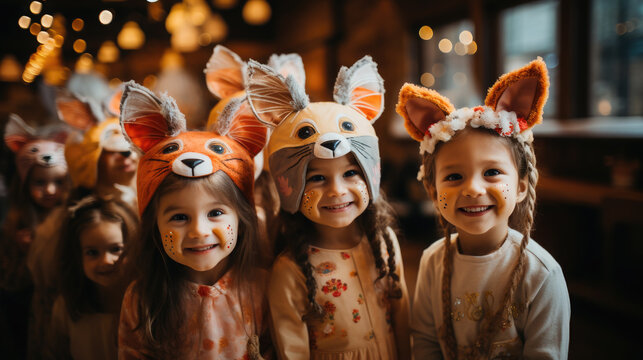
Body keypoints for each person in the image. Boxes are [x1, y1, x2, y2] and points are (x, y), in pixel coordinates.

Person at [396, 58, 570, 359]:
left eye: (492, 172)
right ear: (432, 191)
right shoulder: (431, 262)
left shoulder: (542, 274)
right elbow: (425, 343)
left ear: (521, 186)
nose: (474, 189)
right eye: (453, 176)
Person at [245, 56, 411, 359]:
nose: (337, 191)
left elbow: (403, 324)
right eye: (317, 178)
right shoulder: (290, 271)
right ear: (290, 186)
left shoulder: (385, 245)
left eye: (350, 173)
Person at [117, 82, 271, 359]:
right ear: (154, 224)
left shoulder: (262, 289)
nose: (199, 231)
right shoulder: (141, 299)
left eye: (215, 213)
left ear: (242, 217)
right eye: (178, 217)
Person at [0, 114, 69, 359]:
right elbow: (9, 282)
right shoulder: (17, 223)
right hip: (33, 309)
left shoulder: (71, 218)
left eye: (59, 182)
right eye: (40, 182)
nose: (50, 191)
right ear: (25, 184)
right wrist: (21, 251)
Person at [46, 197, 139, 360]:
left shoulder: (145, 304)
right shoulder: (67, 307)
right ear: (77, 256)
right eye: (92, 252)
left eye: (116, 249)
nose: (105, 260)